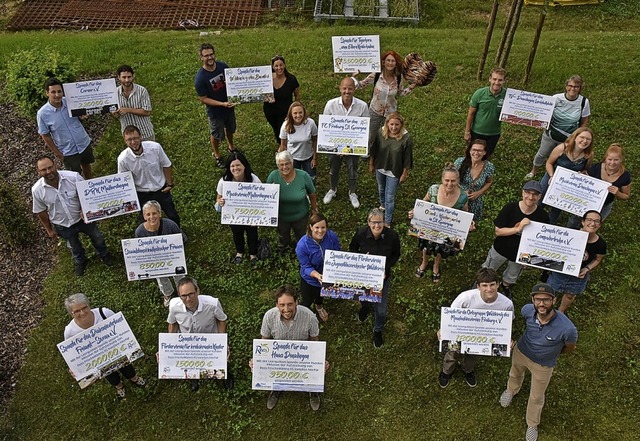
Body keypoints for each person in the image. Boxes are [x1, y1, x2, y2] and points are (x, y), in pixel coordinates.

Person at [499, 283, 577, 441]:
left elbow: (569, 347)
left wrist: (551, 353)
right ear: (532, 300)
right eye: (538, 300)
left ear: (554, 300)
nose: (541, 304)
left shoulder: (567, 329)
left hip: (544, 365)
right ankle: (511, 390)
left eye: (546, 300)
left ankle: (532, 424)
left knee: (536, 396)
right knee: (514, 373)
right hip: (521, 352)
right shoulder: (527, 310)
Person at [32, 156, 114, 276]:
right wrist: (49, 229)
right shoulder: (37, 190)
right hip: (62, 224)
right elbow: (41, 212)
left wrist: (84, 208)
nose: (48, 171)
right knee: (73, 246)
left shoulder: (74, 177)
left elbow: (88, 195)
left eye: (50, 167)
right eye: (44, 170)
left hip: (83, 219)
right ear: (38, 172)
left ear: (55, 165)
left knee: (97, 237)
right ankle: (80, 260)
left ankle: (104, 254)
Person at [253, 285, 327, 410]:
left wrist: (320, 362)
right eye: (282, 305)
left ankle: (313, 391)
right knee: (274, 371)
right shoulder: (269, 316)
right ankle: (276, 389)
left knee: (313, 373)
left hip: (302, 357)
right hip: (279, 356)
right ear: (277, 305)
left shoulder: (309, 316)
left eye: (290, 304)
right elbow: (264, 340)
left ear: (296, 302)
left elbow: (315, 341)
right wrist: (257, 360)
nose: (286, 309)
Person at [437, 268, 514, 388]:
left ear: (498, 284)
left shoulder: (507, 304)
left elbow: (507, 324)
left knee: (473, 356)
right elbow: (450, 316)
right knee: (452, 353)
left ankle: (468, 370)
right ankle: (446, 372)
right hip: (460, 332)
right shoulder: (465, 297)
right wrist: (443, 330)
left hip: (484, 338)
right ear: (478, 286)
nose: (489, 289)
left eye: (492, 285)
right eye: (484, 285)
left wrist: (507, 340)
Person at [64, 293, 146, 399]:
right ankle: (119, 386)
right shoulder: (70, 331)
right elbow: (70, 352)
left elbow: (121, 328)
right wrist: (73, 367)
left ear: (89, 305)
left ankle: (134, 378)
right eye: (77, 311)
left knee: (127, 367)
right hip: (98, 360)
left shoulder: (104, 313)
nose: (82, 313)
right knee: (109, 375)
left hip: (117, 351)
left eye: (84, 308)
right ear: (71, 313)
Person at [481, 181, 550, 298]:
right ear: (522, 193)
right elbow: (498, 231)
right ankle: (483, 283)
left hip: (521, 254)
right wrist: (517, 229)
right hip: (501, 248)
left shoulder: (543, 216)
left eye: (535, 194)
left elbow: (541, 241)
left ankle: (505, 285)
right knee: (488, 269)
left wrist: (532, 258)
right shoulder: (510, 208)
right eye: (528, 193)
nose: (531, 197)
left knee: (512, 274)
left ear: (539, 197)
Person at [167, 277, 232, 391]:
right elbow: (172, 323)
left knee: (219, 362)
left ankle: (224, 377)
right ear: (179, 295)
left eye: (191, 294)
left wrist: (222, 341)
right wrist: (167, 346)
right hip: (188, 343)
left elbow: (222, 320)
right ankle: (194, 378)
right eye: (184, 296)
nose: (188, 299)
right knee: (190, 363)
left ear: (198, 291)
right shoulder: (173, 306)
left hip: (210, 341)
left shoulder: (212, 304)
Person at [349, 208, 401, 348]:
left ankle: (377, 330)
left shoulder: (392, 236)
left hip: (382, 278)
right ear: (368, 222)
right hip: (363, 276)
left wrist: (386, 267)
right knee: (363, 297)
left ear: (384, 222)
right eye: (374, 222)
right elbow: (352, 249)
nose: (377, 226)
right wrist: (360, 259)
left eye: (380, 222)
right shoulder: (360, 233)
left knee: (381, 309)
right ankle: (365, 307)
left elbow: (396, 254)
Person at [412, 164, 473, 284]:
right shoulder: (433, 189)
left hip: (448, 231)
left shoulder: (463, 196)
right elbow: (424, 202)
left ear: (458, 180)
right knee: (426, 246)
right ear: (442, 179)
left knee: (441, 249)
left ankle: (436, 266)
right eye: (447, 180)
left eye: (453, 181)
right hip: (430, 227)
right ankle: (424, 262)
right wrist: (415, 212)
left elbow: (465, 213)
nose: (449, 184)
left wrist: (467, 225)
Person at [525, 75, 590, 180]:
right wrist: (539, 122)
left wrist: (578, 136)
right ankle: (534, 171)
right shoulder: (556, 98)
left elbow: (584, 122)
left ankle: (555, 176)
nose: (572, 89)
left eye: (576, 86)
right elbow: (544, 114)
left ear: (580, 88)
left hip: (569, 139)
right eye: (570, 85)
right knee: (542, 154)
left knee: (562, 159)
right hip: (550, 134)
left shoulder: (584, 102)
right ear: (566, 86)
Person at [117, 125, 181, 227]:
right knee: (145, 221)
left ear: (141, 137)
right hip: (142, 194)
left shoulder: (155, 148)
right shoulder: (123, 159)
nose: (133, 142)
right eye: (129, 140)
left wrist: (169, 184)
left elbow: (166, 164)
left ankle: (177, 232)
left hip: (161, 189)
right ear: (125, 141)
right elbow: (123, 181)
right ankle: (151, 239)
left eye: (135, 138)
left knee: (172, 215)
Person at [322, 77, 370, 209]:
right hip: (334, 147)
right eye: (344, 88)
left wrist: (351, 147)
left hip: (354, 147)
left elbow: (364, 129)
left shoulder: (362, 106)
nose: (347, 91)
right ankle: (332, 189)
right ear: (340, 88)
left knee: (352, 171)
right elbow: (325, 128)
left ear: (354, 89)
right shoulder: (330, 105)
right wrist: (337, 148)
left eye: (350, 88)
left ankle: (352, 192)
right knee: (333, 169)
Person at [548, 210, 606, 313]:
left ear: (600, 225)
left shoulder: (601, 244)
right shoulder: (570, 233)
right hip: (560, 270)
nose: (592, 223)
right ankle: (548, 309)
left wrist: (587, 269)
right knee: (551, 292)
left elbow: (598, 259)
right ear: (583, 222)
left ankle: (560, 312)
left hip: (579, 275)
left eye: (596, 221)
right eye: (589, 220)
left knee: (570, 295)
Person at [352, 50, 414, 146]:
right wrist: (354, 77)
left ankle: (384, 154)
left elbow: (400, 93)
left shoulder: (398, 77)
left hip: (390, 113)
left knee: (388, 135)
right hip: (375, 110)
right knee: (370, 135)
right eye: (388, 60)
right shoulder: (376, 75)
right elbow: (360, 85)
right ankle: (367, 153)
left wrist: (411, 87)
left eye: (393, 61)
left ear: (396, 63)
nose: (390, 63)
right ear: (383, 62)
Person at [37, 77, 93, 178]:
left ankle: (90, 182)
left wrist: (83, 116)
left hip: (83, 143)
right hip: (68, 150)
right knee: (74, 176)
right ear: (47, 93)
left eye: (59, 91)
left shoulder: (71, 101)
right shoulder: (42, 114)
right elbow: (45, 135)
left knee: (87, 165)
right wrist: (57, 153)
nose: (57, 95)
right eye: (53, 92)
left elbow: (80, 116)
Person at [135, 200, 186, 307]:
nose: (151, 217)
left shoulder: (170, 225)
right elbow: (139, 250)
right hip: (155, 261)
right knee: (161, 278)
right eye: (148, 214)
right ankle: (167, 294)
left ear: (159, 214)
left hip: (173, 257)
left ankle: (183, 292)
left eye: (154, 213)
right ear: (144, 216)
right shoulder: (140, 231)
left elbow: (181, 239)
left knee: (179, 275)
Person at [567, 143, 631, 228]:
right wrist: (581, 177)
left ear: (621, 160)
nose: (612, 163)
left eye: (616, 160)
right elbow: (585, 180)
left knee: (593, 225)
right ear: (605, 159)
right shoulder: (596, 168)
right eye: (610, 159)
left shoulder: (625, 176)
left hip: (605, 205)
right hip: (588, 200)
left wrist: (618, 193)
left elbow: (626, 196)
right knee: (574, 221)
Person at [540, 127, 594, 225]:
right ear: (575, 137)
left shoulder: (588, 155)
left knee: (557, 208)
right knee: (539, 202)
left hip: (566, 186)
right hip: (551, 179)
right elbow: (549, 163)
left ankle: (549, 225)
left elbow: (585, 169)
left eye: (588, 139)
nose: (584, 141)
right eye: (582, 137)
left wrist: (583, 173)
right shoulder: (562, 148)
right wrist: (552, 176)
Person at [194, 43, 236, 168]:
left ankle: (231, 147)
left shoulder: (223, 67)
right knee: (216, 134)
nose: (210, 58)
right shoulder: (200, 78)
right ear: (201, 58)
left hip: (229, 107)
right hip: (215, 112)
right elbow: (203, 99)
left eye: (211, 54)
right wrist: (221, 104)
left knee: (230, 128)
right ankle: (217, 154)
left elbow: (233, 81)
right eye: (206, 56)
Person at [266, 150, 317, 253]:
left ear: (292, 162)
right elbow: (265, 195)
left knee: (301, 235)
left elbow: (312, 194)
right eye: (281, 165)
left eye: (287, 163)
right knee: (283, 235)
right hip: (281, 216)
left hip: (301, 215)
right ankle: (283, 248)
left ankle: (302, 251)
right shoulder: (273, 176)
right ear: (278, 166)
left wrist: (314, 209)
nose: (284, 167)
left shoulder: (303, 176)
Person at [295, 212, 341, 322]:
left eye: (323, 227)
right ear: (310, 227)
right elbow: (305, 267)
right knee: (307, 300)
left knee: (321, 294)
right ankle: (302, 316)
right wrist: (317, 275)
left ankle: (319, 306)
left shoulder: (331, 236)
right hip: (310, 279)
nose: (320, 231)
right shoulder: (302, 245)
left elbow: (338, 252)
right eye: (317, 227)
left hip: (328, 274)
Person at [369, 112, 413, 226]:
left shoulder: (406, 138)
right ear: (387, 123)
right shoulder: (381, 133)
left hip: (394, 170)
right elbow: (374, 149)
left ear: (401, 125)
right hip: (380, 166)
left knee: (390, 197)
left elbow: (407, 158)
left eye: (397, 125)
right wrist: (371, 164)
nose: (394, 127)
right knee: (381, 189)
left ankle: (387, 221)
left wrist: (404, 173)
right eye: (391, 124)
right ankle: (382, 205)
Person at [216, 151, 261, 263]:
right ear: (229, 167)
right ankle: (239, 252)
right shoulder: (224, 181)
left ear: (244, 165)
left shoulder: (254, 179)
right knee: (237, 234)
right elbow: (218, 197)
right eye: (232, 166)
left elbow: (262, 198)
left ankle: (253, 254)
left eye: (238, 165)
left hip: (251, 214)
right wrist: (220, 202)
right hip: (233, 215)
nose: (235, 168)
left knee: (252, 234)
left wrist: (259, 216)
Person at [464, 67, 507, 157]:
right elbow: (471, 113)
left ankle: (482, 170)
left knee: (486, 155)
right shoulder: (479, 94)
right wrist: (467, 131)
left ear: (504, 81)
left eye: (500, 80)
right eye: (494, 79)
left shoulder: (508, 96)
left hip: (494, 133)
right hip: (477, 131)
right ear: (490, 79)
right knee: (471, 155)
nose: (497, 82)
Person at [454, 139, 495, 222]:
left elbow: (489, 182)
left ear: (484, 152)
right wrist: (461, 192)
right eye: (474, 150)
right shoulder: (459, 162)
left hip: (475, 201)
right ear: (470, 151)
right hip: (457, 198)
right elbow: (451, 180)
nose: (476, 153)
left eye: (480, 151)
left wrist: (479, 193)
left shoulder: (489, 167)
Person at [264, 54, 300, 145]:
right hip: (270, 110)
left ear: (284, 65)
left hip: (285, 111)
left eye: (281, 65)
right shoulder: (267, 79)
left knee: (283, 128)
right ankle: (280, 144)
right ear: (272, 67)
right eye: (276, 66)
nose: (279, 68)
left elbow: (297, 95)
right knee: (276, 128)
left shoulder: (291, 79)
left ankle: (284, 146)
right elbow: (262, 93)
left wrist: (296, 107)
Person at [112, 64, 155, 141]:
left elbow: (147, 112)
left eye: (129, 77)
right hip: (129, 136)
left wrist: (128, 110)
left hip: (145, 133)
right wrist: (115, 114)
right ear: (119, 77)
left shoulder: (142, 90)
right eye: (124, 77)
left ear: (133, 76)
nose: (127, 80)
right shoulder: (114, 93)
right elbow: (115, 115)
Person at [279, 101, 317, 182]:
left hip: (308, 157)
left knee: (311, 179)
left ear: (304, 112)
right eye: (295, 113)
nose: (298, 115)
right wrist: (282, 161)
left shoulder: (310, 123)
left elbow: (315, 141)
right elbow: (283, 145)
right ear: (291, 114)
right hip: (292, 158)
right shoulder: (285, 125)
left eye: (300, 112)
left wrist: (315, 158)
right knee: (294, 180)